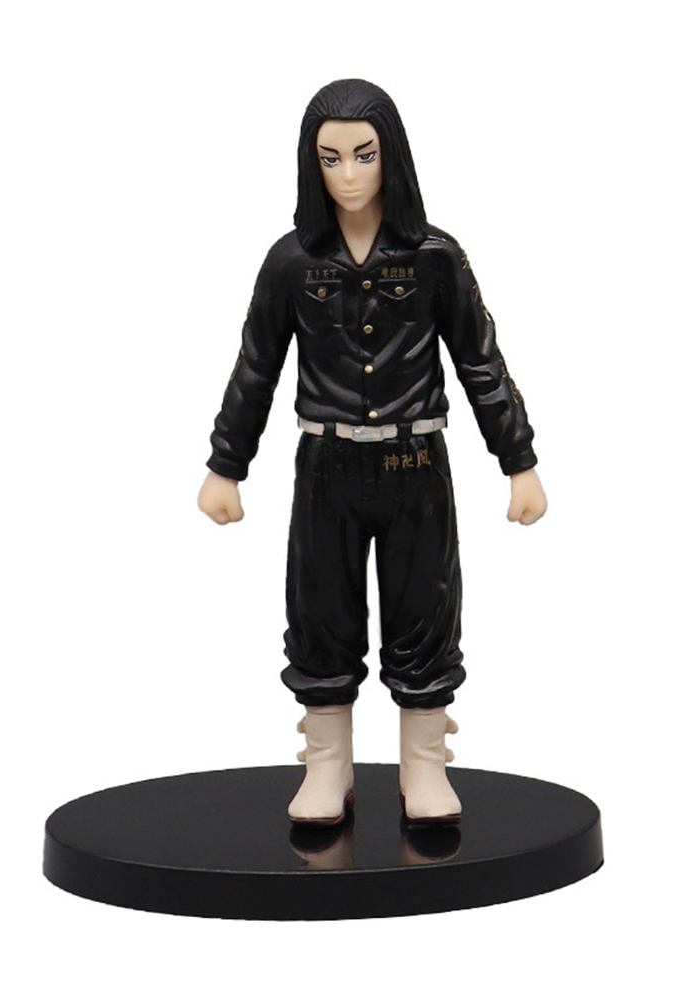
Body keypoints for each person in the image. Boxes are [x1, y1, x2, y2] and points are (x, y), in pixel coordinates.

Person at [198, 79, 546, 826]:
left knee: (426, 609)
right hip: (325, 466)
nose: (349, 175)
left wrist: (518, 461)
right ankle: (327, 763)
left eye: (365, 154)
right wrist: (226, 464)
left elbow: (480, 360)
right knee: (319, 610)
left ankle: (425, 763)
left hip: (416, 463)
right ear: (310, 163)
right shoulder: (291, 262)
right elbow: (256, 366)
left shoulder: (434, 256)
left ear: (394, 156)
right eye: (331, 159)